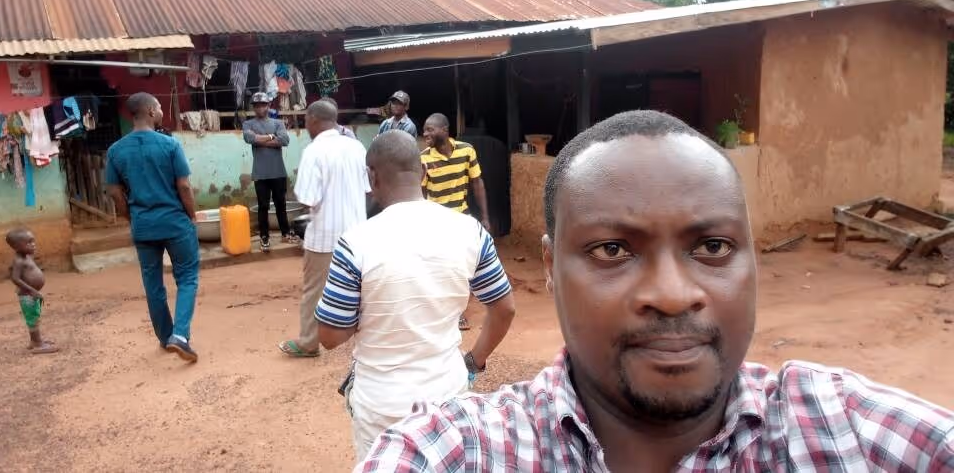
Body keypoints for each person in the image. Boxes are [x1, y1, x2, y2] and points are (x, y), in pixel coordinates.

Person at [357, 110, 954, 471]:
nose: (672, 295)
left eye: (713, 247)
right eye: (612, 250)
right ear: (548, 269)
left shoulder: (843, 432)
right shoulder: (458, 453)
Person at [315, 131, 516, 461]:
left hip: (381, 405)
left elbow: (330, 336)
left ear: (372, 177)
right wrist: (474, 361)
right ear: (424, 173)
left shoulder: (355, 243)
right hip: (448, 393)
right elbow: (505, 309)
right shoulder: (471, 230)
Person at [106, 92, 200, 363]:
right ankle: (180, 336)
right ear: (149, 111)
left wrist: (130, 217)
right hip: (174, 222)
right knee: (187, 278)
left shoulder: (116, 150)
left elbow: (114, 191)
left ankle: (165, 336)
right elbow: (184, 186)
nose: (161, 112)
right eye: (159, 107)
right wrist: (192, 216)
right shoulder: (169, 145)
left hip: (144, 225)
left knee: (153, 283)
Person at [278, 100, 370, 358]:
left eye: (306, 120)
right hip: (357, 234)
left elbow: (308, 198)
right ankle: (367, 340)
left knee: (314, 291)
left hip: (325, 236)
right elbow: (367, 187)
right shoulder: (356, 146)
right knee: (363, 287)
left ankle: (309, 343)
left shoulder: (314, 151)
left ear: (314, 120)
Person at [421, 112, 491, 331]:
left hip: (461, 218)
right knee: (438, 267)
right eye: (424, 130)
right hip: (435, 221)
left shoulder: (466, 150)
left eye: (430, 129)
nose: (425, 134)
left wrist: (485, 217)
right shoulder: (423, 158)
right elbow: (420, 192)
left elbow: (477, 183)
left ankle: (458, 311)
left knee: (461, 267)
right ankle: (438, 310)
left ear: (444, 130)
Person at [242, 92, 296, 252]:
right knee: (263, 206)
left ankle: (285, 233)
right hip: (260, 173)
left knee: (281, 204)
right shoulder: (248, 124)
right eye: (257, 105)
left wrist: (261, 139)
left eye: (263, 105)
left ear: (269, 106)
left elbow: (284, 140)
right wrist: (272, 138)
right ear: (254, 108)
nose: (260, 108)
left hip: (278, 171)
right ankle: (264, 237)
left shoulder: (278, 122)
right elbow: (250, 139)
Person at [7, 228, 58, 354]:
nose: (33, 244)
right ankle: (38, 344)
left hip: (31, 294)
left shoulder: (27, 256)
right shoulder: (19, 261)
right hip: (27, 295)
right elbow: (15, 278)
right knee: (32, 318)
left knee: (34, 316)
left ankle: (34, 341)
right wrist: (32, 290)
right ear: (16, 247)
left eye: (33, 241)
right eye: (28, 243)